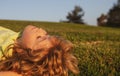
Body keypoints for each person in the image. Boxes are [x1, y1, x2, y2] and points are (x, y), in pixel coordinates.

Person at [0, 25, 79, 76]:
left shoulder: (4, 51)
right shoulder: (21, 38)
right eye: (46, 35)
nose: (41, 30)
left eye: (39, 38)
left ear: (22, 52)